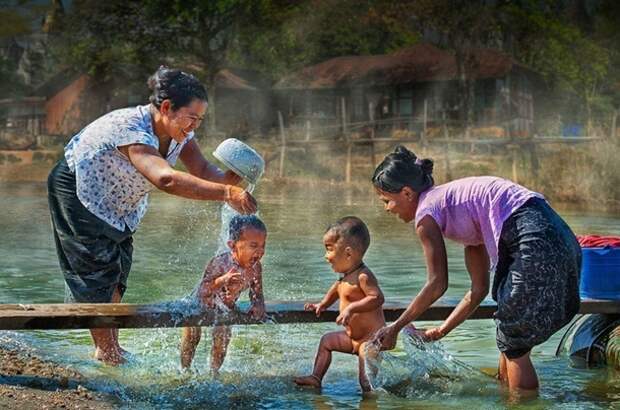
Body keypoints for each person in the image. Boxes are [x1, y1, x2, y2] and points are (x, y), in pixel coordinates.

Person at [47, 66, 257, 365]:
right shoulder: (133, 128)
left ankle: (110, 346)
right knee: (96, 268)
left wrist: (231, 179)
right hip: (79, 190)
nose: (194, 126)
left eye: (199, 120)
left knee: (118, 267)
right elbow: (166, 179)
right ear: (168, 107)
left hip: (119, 200)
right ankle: (107, 351)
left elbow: (203, 171)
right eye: (192, 118)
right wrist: (226, 194)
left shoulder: (180, 132)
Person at [370, 145, 581, 392]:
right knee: (510, 334)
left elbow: (437, 284)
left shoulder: (426, 215)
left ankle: (521, 403)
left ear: (406, 193)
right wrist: (441, 330)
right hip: (561, 237)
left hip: (532, 238)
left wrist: (394, 328)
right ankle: (507, 394)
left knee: (514, 344)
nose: (387, 209)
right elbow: (478, 290)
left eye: (387, 201)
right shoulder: (458, 211)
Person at [294, 216, 385, 392]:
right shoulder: (345, 277)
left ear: (348, 253)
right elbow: (337, 289)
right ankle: (316, 377)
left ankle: (371, 400)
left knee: (365, 382)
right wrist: (322, 304)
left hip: (371, 340)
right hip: (352, 338)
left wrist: (351, 308)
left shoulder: (363, 276)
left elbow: (377, 298)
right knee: (327, 341)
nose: (326, 256)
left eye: (329, 250)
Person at [180, 215, 266, 374]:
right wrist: (221, 280)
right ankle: (185, 371)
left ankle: (214, 373)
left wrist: (258, 304)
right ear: (233, 246)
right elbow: (202, 291)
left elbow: (257, 292)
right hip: (197, 306)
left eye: (263, 246)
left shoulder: (255, 268)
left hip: (223, 309)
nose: (260, 252)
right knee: (192, 338)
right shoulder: (220, 263)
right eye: (253, 245)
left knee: (222, 339)